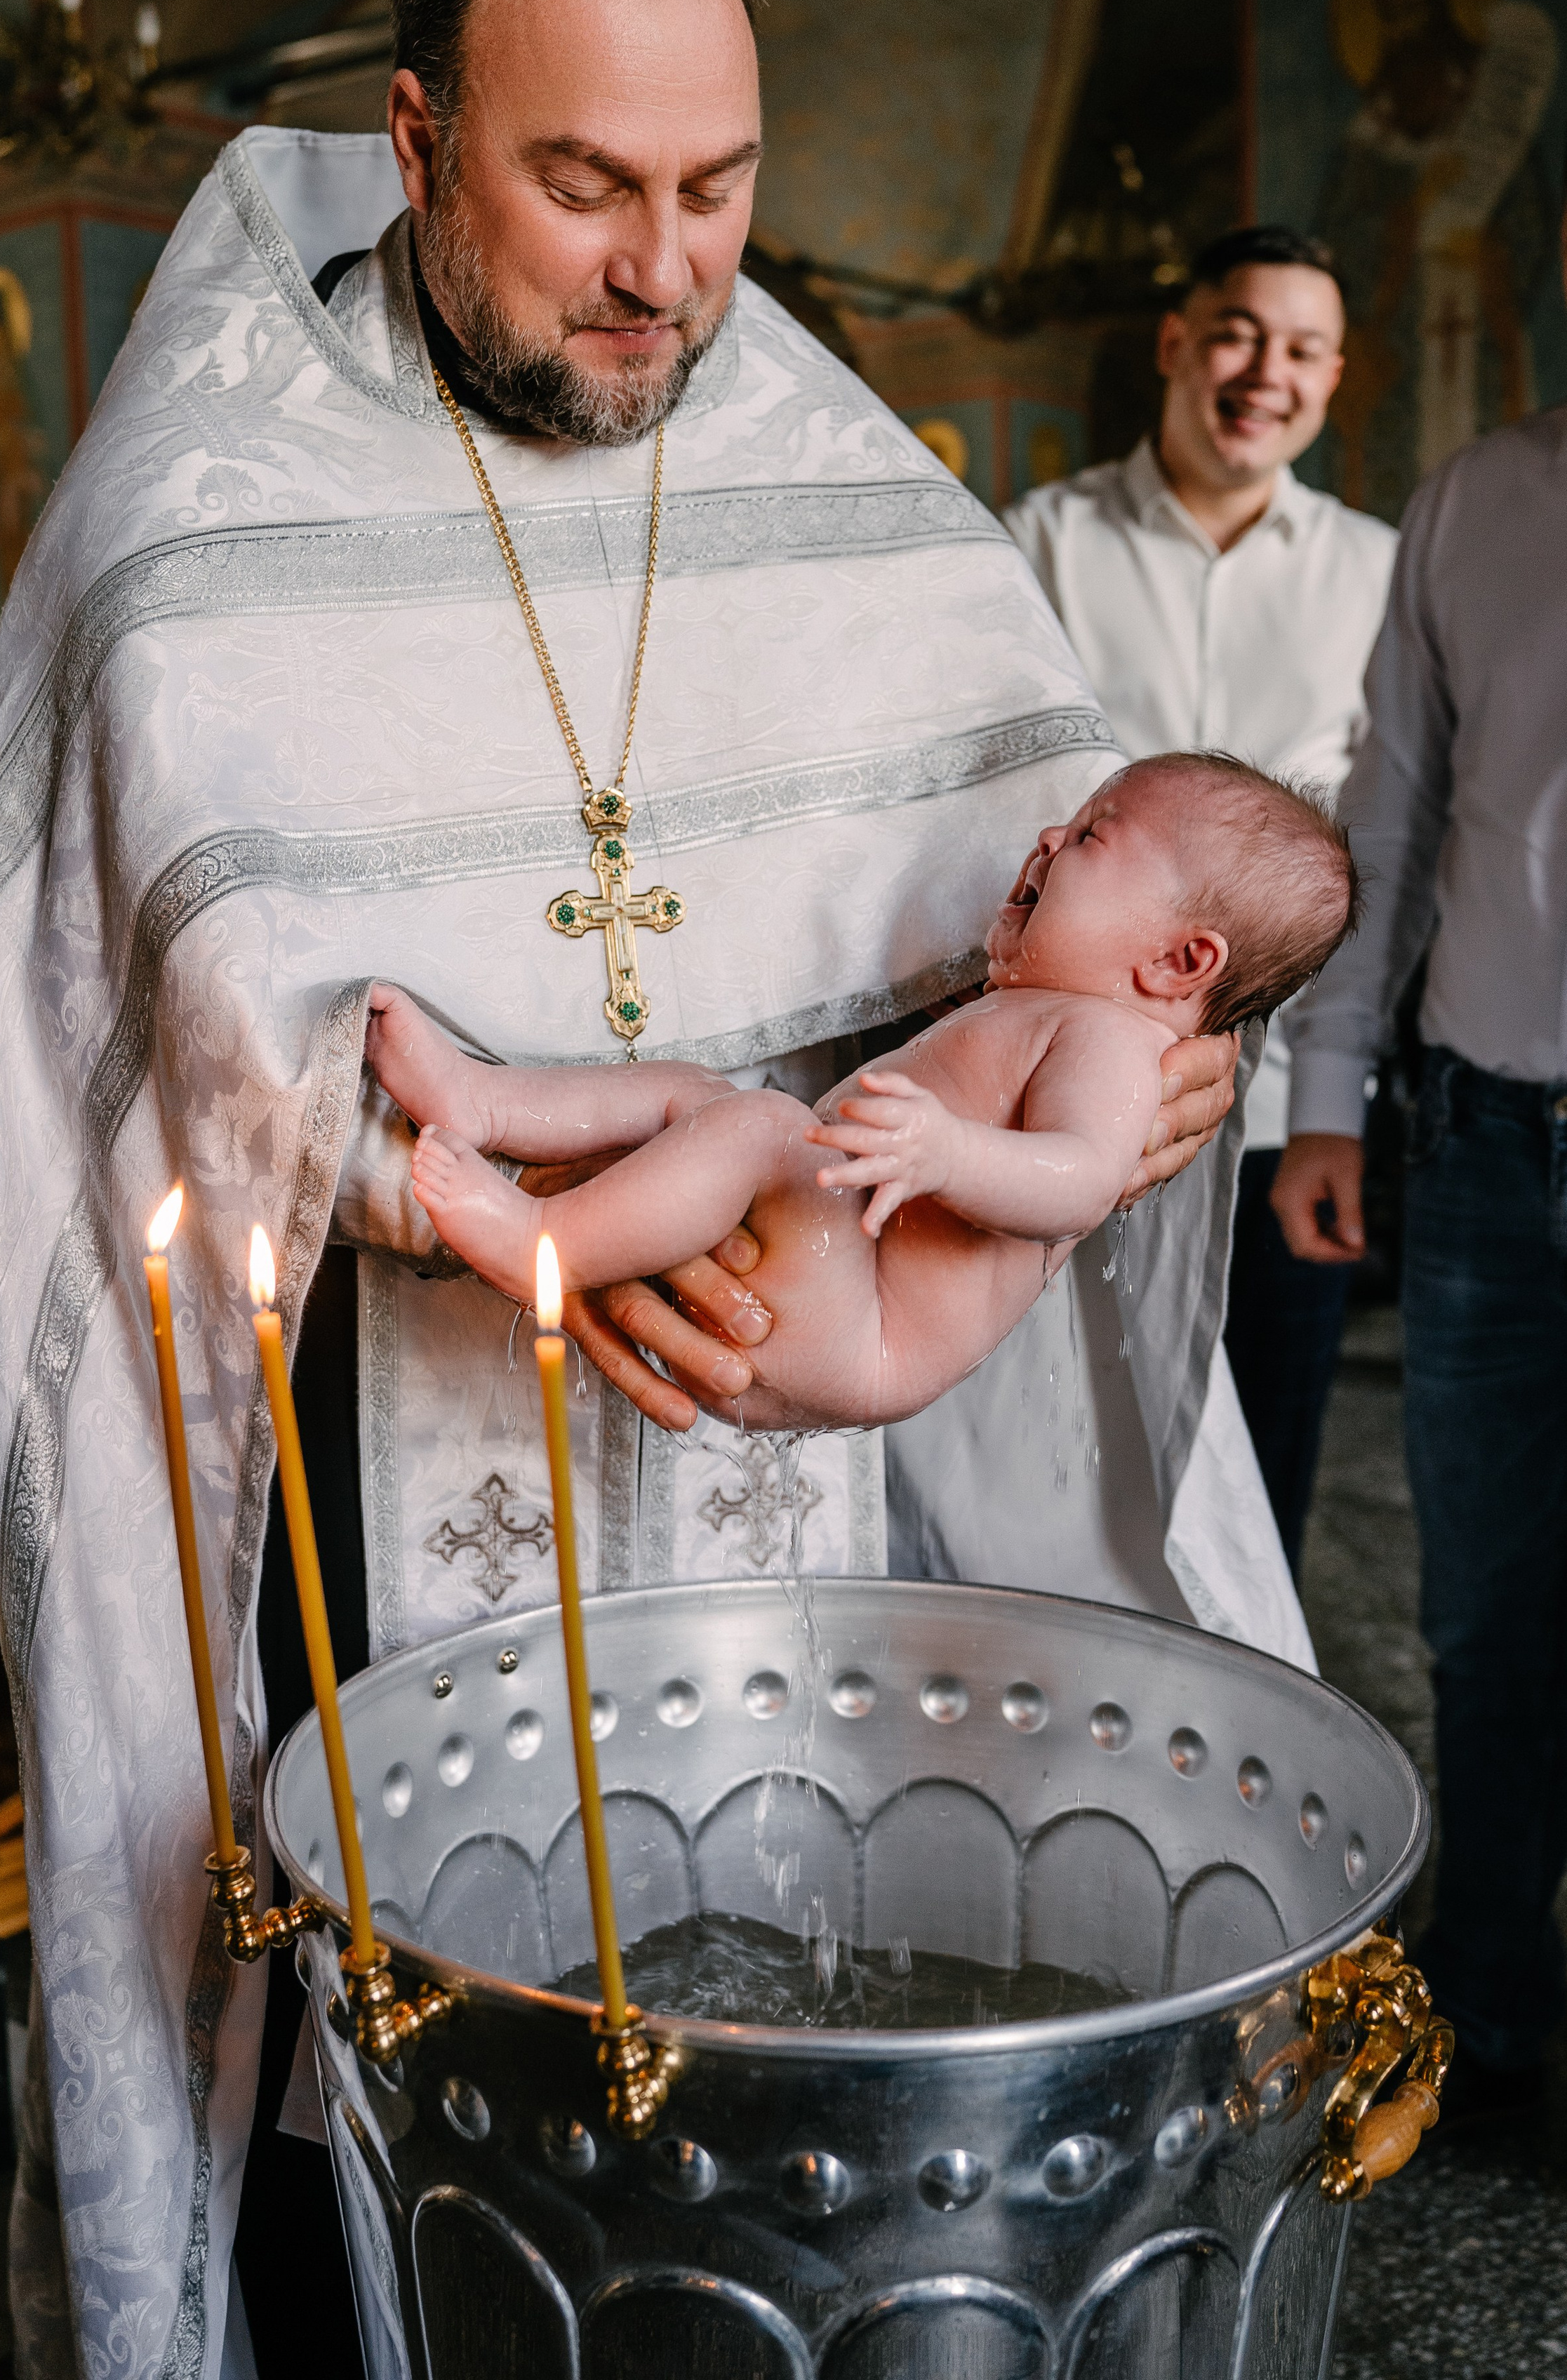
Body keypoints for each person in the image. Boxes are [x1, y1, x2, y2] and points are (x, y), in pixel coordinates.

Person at [0, 0, 1294, 2380]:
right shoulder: (196, 501)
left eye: (719, 186)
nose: (665, 269)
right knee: (391, 2136)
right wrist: (412, 1166)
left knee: (776, 2088)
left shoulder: (835, 481)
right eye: (585, 187)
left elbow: (1099, 878)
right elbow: (149, 967)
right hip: (370, 1424)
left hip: (794, 1455)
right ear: (420, 137)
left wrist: (1143, 1094)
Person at [373, 759, 1356, 1428]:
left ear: (1181, 962)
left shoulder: (1108, 1043)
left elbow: (1084, 1182)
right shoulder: (1053, 1006)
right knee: (700, 1097)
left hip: (865, 1330)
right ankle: (482, 1104)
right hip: (835, 1281)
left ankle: (540, 1248)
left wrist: (948, 1154)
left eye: (1097, 835)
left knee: (758, 1123)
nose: (1054, 832)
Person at [1274, 290, 1567, 2127]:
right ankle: (1493, 2004)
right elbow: (1388, 820)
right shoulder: (1478, 499)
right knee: (1489, 1610)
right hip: (1480, 1140)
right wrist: (1326, 1106)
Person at [1003, 225, 1396, 1576]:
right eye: (1236, 332)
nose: (1262, 371)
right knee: (1061, 1451)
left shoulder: (1378, 572)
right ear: (1177, 345)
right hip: (1055, 1093)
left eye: (1300, 349)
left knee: (1261, 1474)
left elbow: (1389, 845)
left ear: (1334, 379)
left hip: (1288, 1116)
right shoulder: (1038, 544)